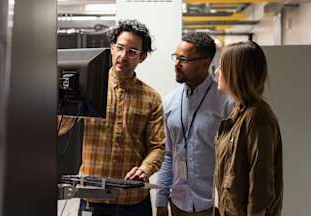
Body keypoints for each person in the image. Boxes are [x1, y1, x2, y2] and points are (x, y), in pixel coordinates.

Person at [59, 19, 165, 216]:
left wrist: (145, 169)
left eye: (132, 52)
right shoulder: (89, 87)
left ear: (142, 57)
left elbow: (157, 146)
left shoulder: (152, 98)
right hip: (93, 196)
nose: (124, 56)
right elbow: (61, 128)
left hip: (133, 200)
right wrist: (63, 99)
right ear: (112, 48)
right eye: (120, 48)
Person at [155, 32, 233, 216]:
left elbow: (232, 160)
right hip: (178, 204)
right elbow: (168, 154)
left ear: (205, 63)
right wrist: (160, 201)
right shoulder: (170, 102)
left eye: (183, 59)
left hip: (214, 205)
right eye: (176, 57)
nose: (176, 64)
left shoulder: (226, 103)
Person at [213, 41, 283, 216]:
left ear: (235, 73)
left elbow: (260, 186)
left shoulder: (257, 117)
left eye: (221, 67)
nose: (216, 72)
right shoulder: (239, 113)